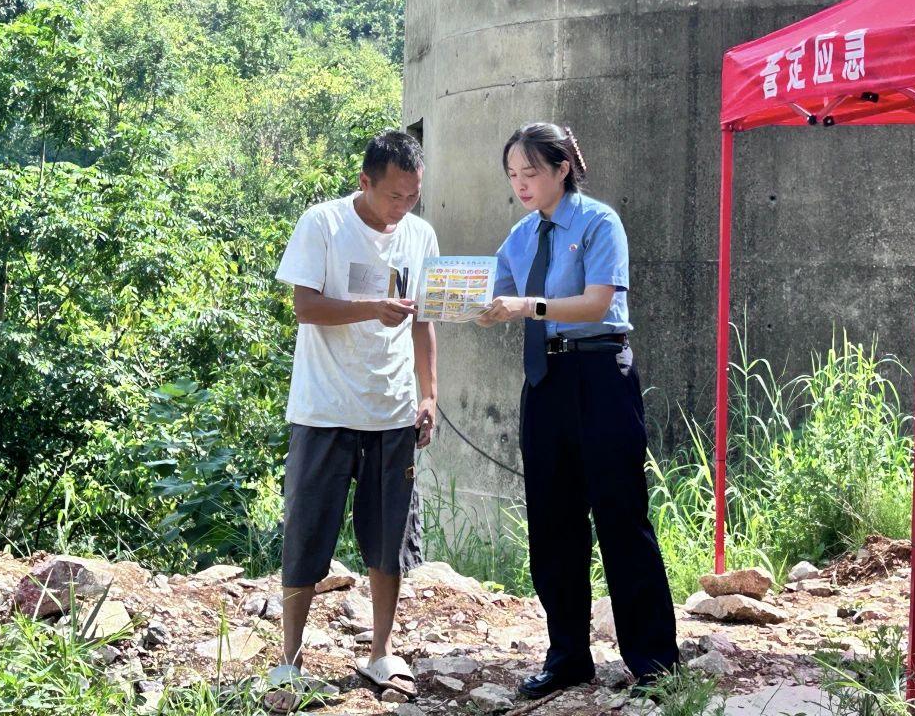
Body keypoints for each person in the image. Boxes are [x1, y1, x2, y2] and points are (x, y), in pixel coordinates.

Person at [478, 122, 679, 699]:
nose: (521, 184)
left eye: (531, 172)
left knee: (620, 516)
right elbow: (487, 292)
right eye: (512, 175)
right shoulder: (520, 236)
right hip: (544, 381)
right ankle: (567, 657)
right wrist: (451, 298)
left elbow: (596, 303)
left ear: (562, 168)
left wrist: (527, 306)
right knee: (552, 522)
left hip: (599, 373)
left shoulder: (598, 223)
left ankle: (654, 664)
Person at [269, 129, 439, 708]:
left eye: (413, 195)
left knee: (389, 537)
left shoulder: (420, 235)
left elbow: (424, 320)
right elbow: (305, 306)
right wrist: (371, 309)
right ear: (365, 182)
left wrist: (429, 394)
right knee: (307, 531)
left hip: (392, 409)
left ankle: (381, 652)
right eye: (394, 195)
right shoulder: (323, 224)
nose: (403, 206)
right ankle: (289, 660)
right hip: (324, 407)